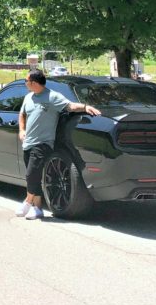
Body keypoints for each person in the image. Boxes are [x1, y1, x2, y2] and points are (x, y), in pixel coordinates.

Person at [17, 70, 100, 220]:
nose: (25, 83)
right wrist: (22, 130)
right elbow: (22, 114)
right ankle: (37, 209)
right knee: (34, 177)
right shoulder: (28, 97)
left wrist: (85, 107)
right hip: (28, 142)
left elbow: (70, 106)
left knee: (31, 174)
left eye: (26, 81)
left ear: (34, 83)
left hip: (43, 143)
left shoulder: (52, 96)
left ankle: (27, 202)